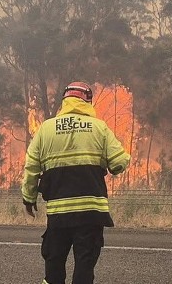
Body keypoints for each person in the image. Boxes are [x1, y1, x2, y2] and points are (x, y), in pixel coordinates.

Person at [21, 82, 130, 284]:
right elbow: (119, 162)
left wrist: (28, 198)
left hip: (58, 215)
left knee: (54, 264)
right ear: (87, 100)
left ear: (65, 101)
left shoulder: (46, 129)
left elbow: (31, 168)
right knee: (84, 265)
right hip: (91, 213)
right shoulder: (99, 127)